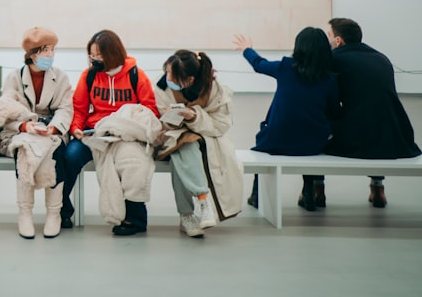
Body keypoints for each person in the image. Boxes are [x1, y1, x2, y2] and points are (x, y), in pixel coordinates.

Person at [62, 29, 158, 235]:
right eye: (92, 55)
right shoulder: (88, 76)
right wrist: (76, 129)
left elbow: (149, 110)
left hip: (125, 134)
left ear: (112, 53)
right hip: (95, 132)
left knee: (132, 163)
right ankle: (62, 209)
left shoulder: (136, 76)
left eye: (99, 55)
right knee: (69, 156)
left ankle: (135, 219)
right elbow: (78, 108)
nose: (94, 59)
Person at [233, 28, 339, 211]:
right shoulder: (329, 78)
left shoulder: (285, 67)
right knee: (312, 132)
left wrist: (247, 49)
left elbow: (259, 64)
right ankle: (309, 191)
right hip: (313, 144)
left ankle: (257, 194)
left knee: (262, 143)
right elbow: (334, 111)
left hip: (277, 140)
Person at [321, 18, 420, 208]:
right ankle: (377, 187)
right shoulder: (381, 58)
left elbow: (327, 96)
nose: (328, 41)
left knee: (317, 123)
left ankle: (316, 187)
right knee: (373, 116)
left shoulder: (335, 59)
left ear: (339, 41)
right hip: (394, 133)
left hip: (358, 136)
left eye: (329, 36)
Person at [153, 50, 243, 238]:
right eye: (167, 71)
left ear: (189, 80)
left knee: (186, 149)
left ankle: (187, 215)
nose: (167, 77)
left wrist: (194, 116)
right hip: (175, 137)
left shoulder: (214, 89)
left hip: (209, 138)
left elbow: (221, 124)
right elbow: (158, 122)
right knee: (184, 147)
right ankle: (202, 202)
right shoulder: (163, 88)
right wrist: (173, 117)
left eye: (172, 74)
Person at [0, 26, 73, 238]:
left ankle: (53, 213)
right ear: (33, 53)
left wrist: (53, 127)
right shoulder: (14, 78)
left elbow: (66, 109)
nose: (51, 55)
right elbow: (4, 109)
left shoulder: (61, 77)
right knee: (24, 150)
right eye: (46, 50)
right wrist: (24, 126)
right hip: (23, 131)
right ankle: (25, 213)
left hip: (51, 131)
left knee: (56, 153)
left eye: (53, 49)